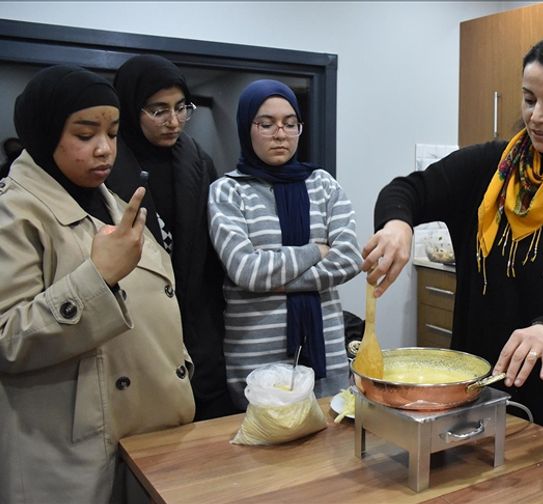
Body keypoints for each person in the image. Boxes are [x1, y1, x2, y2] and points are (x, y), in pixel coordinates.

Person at [362, 32, 543, 447]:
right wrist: (398, 224)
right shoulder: (486, 168)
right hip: (474, 396)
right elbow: (407, 190)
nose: (537, 116)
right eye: (529, 99)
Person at [0, 65, 194, 503]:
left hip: (152, 434)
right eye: (85, 134)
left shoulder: (115, 201)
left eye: (113, 132)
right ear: (45, 131)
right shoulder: (15, 213)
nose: (105, 149)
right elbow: (7, 338)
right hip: (77, 446)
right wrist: (98, 277)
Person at [208, 79, 362, 406]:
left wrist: (274, 281)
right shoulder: (228, 191)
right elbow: (246, 270)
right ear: (245, 127)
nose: (280, 133)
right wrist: (315, 251)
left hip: (325, 354)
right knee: (259, 449)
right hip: (255, 359)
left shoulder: (323, 185)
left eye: (290, 124)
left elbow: (349, 259)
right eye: (266, 124)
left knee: (328, 451)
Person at [107, 54, 236, 420]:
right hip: (136, 325)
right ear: (131, 108)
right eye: (158, 110)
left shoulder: (196, 159)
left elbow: (212, 247)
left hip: (198, 319)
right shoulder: (108, 164)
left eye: (182, 107)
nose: (174, 121)